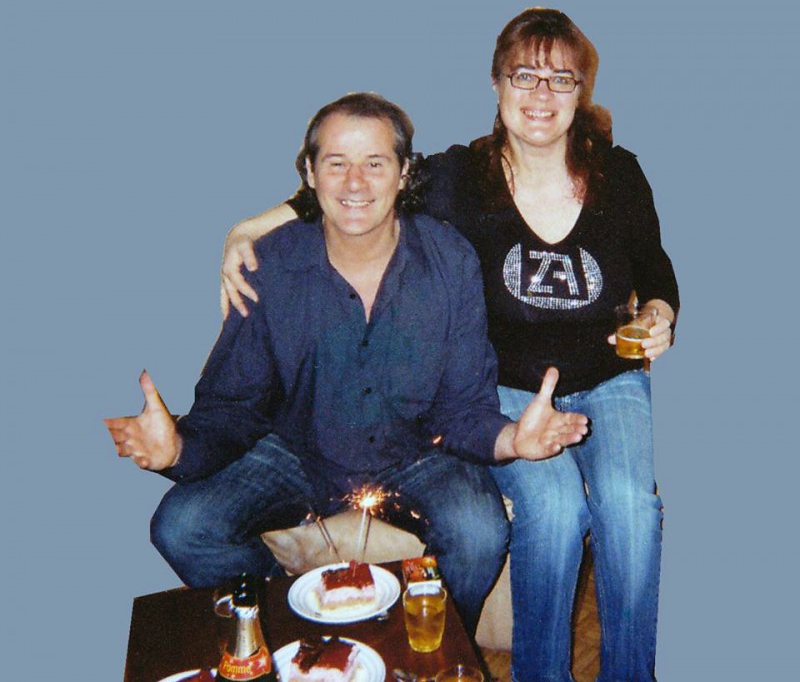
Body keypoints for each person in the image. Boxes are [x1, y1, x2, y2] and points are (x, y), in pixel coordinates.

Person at [219, 10, 679, 681]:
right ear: (497, 84)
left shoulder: (620, 172)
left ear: (581, 92)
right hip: (509, 385)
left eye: (561, 79)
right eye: (524, 75)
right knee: (554, 509)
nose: (542, 93)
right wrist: (248, 228)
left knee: (633, 509)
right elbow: (360, 191)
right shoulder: (459, 175)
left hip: (612, 376)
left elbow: (655, 268)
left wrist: (662, 311)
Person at [104, 92, 589, 637]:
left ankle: (415, 650)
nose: (355, 183)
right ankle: (303, 635)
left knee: (479, 533)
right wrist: (177, 450)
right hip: (300, 450)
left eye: (375, 163)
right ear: (310, 174)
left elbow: (462, 409)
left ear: (404, 174)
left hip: (416, 450)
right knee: (181, 526)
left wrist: (512, 441)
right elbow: (233, 405)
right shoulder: (271, 264)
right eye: (336, 163)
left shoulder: (449, 260)